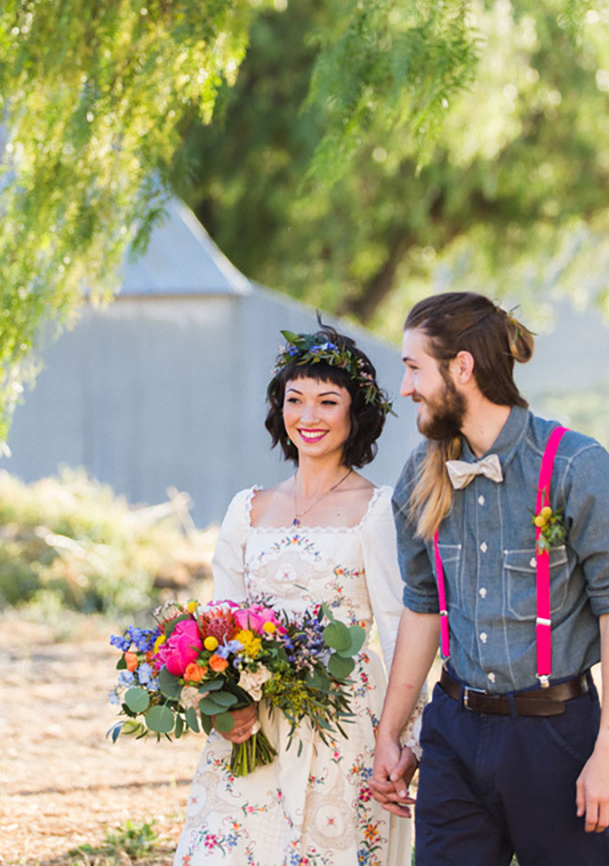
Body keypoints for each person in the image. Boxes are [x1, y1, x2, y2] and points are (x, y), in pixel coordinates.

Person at [371, 292, 609, 866]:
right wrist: (392, 734)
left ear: (462, 368)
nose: (406, 388)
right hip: (453, 733)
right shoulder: (421, 475)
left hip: (555, 736)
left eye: (414, 367)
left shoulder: (574, 465)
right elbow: (424, 606)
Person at [174, 323, 425, 866]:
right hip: (251, 722)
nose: (308, 417)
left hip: (341, 721)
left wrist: (405, 734)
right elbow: (220, 621)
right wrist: (223, 703)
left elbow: (400, 622)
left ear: (354, 413)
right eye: (295, 400)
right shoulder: (248, 507)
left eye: (327, 401)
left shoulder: (378, 508)